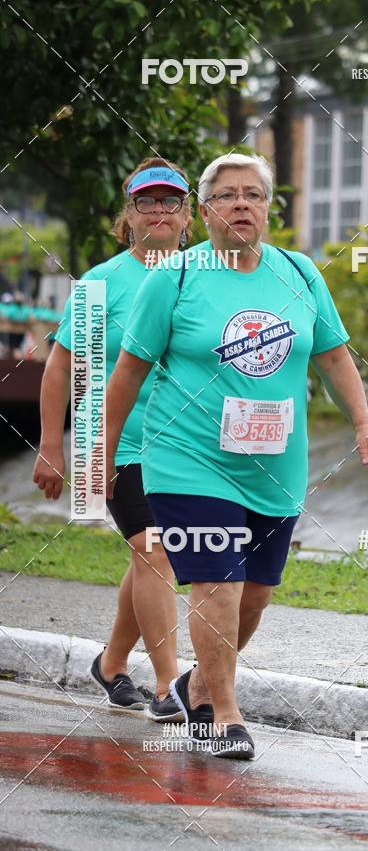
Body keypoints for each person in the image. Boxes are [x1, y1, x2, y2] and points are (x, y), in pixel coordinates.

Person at [104, 152, 368, 758]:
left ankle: (197, 686)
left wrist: (363, 423)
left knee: (255, 594)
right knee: (218, 584)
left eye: (253, 195)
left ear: (267, 209)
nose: (241, 205)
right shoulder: (174, 279)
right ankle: (224, 714)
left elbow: (334, 356)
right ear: (204, 211)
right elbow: (127, 373)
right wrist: (102, 451)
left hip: (275, 463)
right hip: (189, 460)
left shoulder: (301, 274)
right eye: (228, 195)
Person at [32, 156, 193, 721]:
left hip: (185, 443)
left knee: (148, 556)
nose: (157, 212)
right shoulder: (103, 282)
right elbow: (62, 367)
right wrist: (53, 445)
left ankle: (112, 662)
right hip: (117, 441)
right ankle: (171, 684)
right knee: (155, 551)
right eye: (145, 202)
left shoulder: (201, 274)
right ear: (128, 214)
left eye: (168, 201)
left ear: (185, 215)